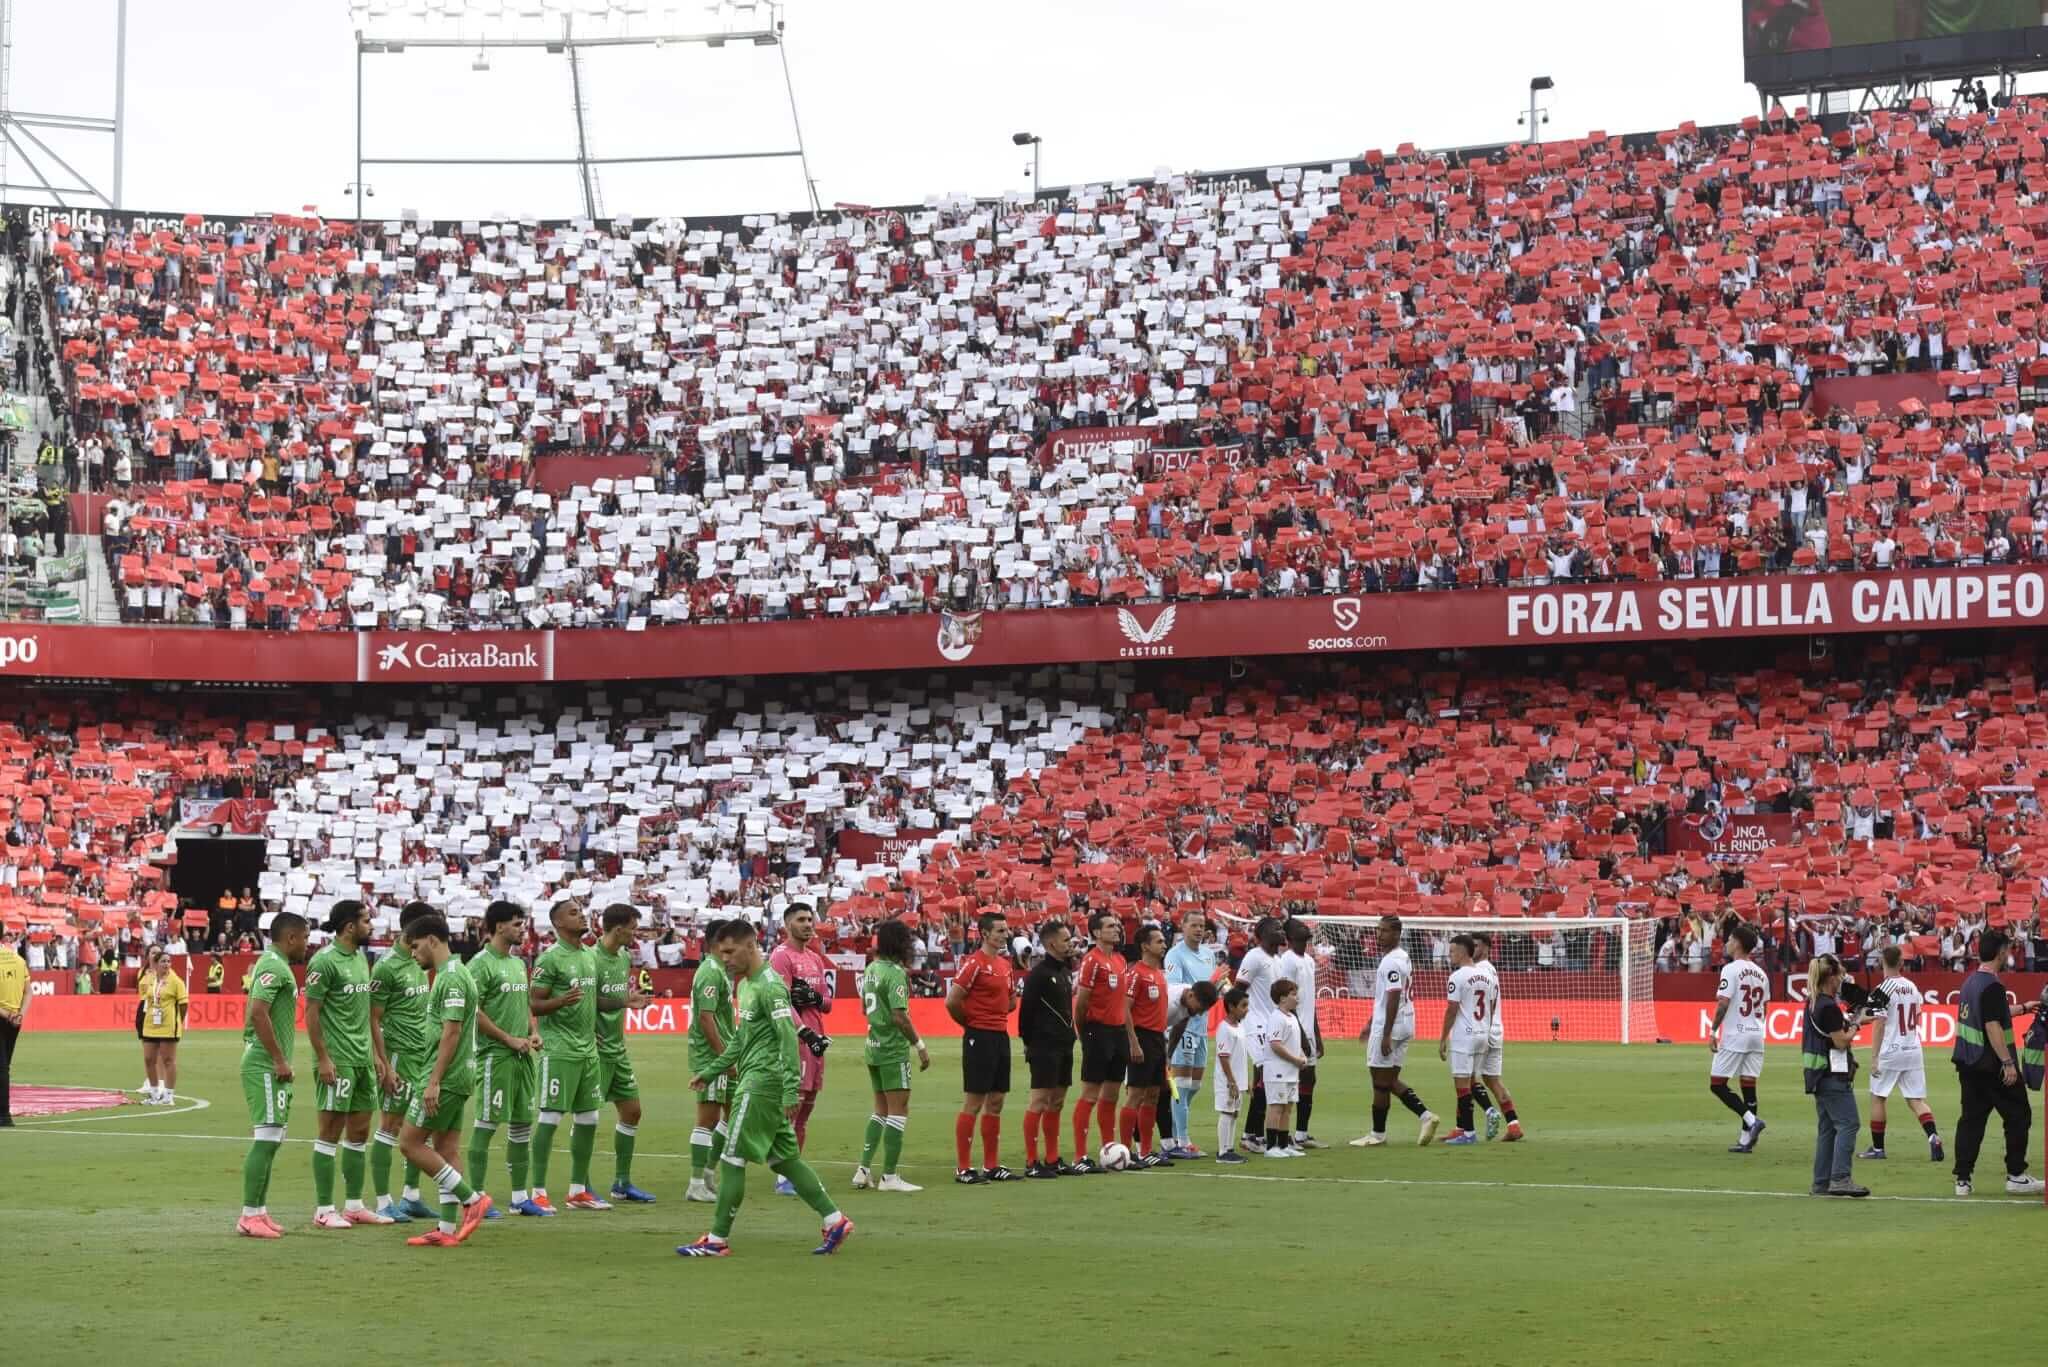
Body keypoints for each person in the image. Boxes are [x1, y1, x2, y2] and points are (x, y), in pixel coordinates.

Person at [678, 919, 854, 1258]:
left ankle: (717, 1240)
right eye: (721, 952)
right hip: (757, 1080)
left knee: (731, 1157)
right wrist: (712, 1070)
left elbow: (788, 1036)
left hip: (761, 1083)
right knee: (784, 1159)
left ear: (750, 946)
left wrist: (791, 1089)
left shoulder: (770, 985)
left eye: (730, 951)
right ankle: (835, 1220)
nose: (725, 958)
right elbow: (742, 1038)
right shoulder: (745, 985)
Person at [395, 913, 495, 1247]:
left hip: (446, 1076)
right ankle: (447, 1230)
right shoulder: (455, 973)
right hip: (462, 1074)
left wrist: (433, 1080)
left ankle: (471, 1199)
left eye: (416, 945)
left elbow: (451, 1032)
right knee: (446, 1148)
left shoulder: (451, 977)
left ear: (433, 940)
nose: (413, 953)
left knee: (409, 1143)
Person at [304, 900, 392, 1227]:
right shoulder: (324, 961)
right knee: (329, 1133)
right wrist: (324, 1058)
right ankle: (324, 1209)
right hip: (337, 1061)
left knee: (358, 1132)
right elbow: (311, 1013)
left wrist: (377, 1057)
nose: (372, 926)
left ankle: (354, 1204)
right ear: (350, 926)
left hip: (361, 1060)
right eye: (367, 920)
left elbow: (365, 1013)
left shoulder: (359, 958)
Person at [1950, 929, 2046, 1197]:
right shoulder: (1992, 985)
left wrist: (2025, 1007)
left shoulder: (1971, 982)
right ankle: (2016, 1175)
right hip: (1992, 1066)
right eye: (2008, 949)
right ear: (2001, 952)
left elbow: (1993, 1014)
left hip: (1968, 1063)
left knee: (1971, 1121)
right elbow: (1992, 1025)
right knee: (2019, 1115)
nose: (2009, 954)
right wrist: (2007, 1063)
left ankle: (1963, 1180)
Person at [468, 900, 547, 1216]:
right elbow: (472, 1011)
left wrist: (533, 1030)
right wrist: (507, 1039)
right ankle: (475, 1197)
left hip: (523, 1056)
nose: (522, 929)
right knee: (486, 1124)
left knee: (521, 1126)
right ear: (499, 926)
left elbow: (525, 1003)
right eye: (517, 924)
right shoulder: (480, 964)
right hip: (495, 1057)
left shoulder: (518, 964)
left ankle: (518, 1198)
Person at [529, 898, 608, 1210]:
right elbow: (534, 1003)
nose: (581, 916)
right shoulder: (550, 959)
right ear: (559, 923)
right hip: (558, 1049)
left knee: (590, 1117)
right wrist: (560, 1002)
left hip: (587, 1050)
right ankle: (537, 1191)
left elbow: (588, 1000)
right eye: (574, 913)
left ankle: (577, 1190)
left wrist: (592, 1028)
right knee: (550, 1116)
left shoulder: (589, 955)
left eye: (581, 911)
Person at [235, 912, 309, 1237]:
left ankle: (260, 1211)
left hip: (271, 1064)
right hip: (264, 1064)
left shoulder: (277, 966)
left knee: (274, 1139)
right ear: (290, 937)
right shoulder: (273, 965)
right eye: (305, 937)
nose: (307, 943)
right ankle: (248, 1215)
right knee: (265, 1140)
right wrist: (279, 1059)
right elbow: (257, 1012)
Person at [369, 903, 438, 1223]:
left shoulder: (418, 963)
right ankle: (383, 1202)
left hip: (421, 1057)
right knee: (390, 1127)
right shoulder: (386, 967)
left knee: (419, 1128)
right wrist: (384, 1063)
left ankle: (411, 1196)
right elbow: (372, 1017)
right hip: (398, 1056)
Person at [852, 917, 930, 1192]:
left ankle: (863, 1169)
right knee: (899, 1109)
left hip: (872, 1046)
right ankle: (889, 1176)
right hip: (892, 1049)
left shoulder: (872, 968)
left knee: (881, 1110)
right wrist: (919, 1046)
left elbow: (864, 1009)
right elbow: (900, 1016)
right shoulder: (895, 973)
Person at [1352, 914, 1439, 1147]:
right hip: (1406, 1022)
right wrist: (1371, 1023)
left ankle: (1380, 1133)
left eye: (1385, 931)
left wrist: (1385, 1032)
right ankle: (1424, 1117)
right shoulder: (1403, 957)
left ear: (1397, 934)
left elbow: (1393, 995)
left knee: (1380, 1080)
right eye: (1378, 930)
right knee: (1388, 1079)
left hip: (1392, 1025)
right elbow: (1386, 998)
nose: (1379, 935)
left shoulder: (1391, 961)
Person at [946, 908, 1019, 1184]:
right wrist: (971, 1024)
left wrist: (997, 1011)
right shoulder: (974, 963)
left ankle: (991, 1165)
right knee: (974, 1101)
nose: (1005, 935)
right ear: (985, 933)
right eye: (1000, 930)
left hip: (1000, 1035)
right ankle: (963, 1168)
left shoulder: (1004, 965)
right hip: (980, 1035)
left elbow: (1011, 1001)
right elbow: (953, 1001)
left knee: (996, 1100)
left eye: (1006, 930)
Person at [768, 901, 836, 1193]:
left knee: (807, 1107)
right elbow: (781, 1002)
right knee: (792, 1105)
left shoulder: (815, 958)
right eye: (801, 920)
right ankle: (783, 1174)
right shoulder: (780, 957)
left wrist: (814, 1000)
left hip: (816, 1040)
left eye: (810, 919)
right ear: (787, 924)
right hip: (796, 1040)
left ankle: (792, 1167)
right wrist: (804, 1031)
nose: (808, 924)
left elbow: (828, 1003)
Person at [594, 903, 657, 1203]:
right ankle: (579, 1186)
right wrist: (623, 1003)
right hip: (594, 1050)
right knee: (586, 1117)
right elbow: (585, 1001)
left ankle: (621, 1182)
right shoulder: (591, 958)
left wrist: (627, 998)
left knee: (632, 1111)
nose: (636, 933)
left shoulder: (622, 957)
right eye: (633, 927)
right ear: (619, 928)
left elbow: (613, 998)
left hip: (617, 1048)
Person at [1860, 945, 1944, 1163]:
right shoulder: (1912, 987)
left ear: (1882, 963)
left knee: (1878, 1097)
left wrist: (1874, 1056)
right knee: (1916, 1099)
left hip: (1891, 1049)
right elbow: (1916, 1014)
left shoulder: (1882, 989)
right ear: (1901, 963)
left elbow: (1879, 1023)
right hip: (1913, 1048)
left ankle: (1878, 1149)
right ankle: (1933, 1136)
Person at [1800, 954, 1869, 1197]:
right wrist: (1857, 1024)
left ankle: (1821, 1183)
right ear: (1831, 977)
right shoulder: (1828, 1006)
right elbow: (1840, 1041)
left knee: (1828, 1129)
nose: (1843, 979)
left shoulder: (1814, 1002)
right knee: (1849, 1124)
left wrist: (1854, 1022)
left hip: (1819, 1074)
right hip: (1832, 1075)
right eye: (1840, 974)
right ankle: (1840, 1178)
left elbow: (1833, 1033)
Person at [1016, 917, 1078, 1178]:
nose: (1070, 943)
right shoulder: (1038, 975)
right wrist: (1031, 1044)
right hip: (1044, 1046)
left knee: (1057, 1102)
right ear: (1051, 943)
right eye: (1066, 940)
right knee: (1039, 1101)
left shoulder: (1064, 971)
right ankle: (1032, 1162)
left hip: (1064, 1045)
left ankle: (1052, 1159)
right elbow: (1025, 1015)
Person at [1071, 910, 1132, 1173]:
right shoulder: (1091, 960)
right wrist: (1085, 1033)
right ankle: (1080, 1155)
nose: (1116, 929)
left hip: (1118, 1032)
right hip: (1097, 1031)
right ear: (1096, 932)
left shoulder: (1119, 960)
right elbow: (1082, 1002)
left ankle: (1109, 1148)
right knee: (1090, 1094)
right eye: (1110, 926)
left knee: (1112, 1094)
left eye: (1117, 925)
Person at [687, 918, 739, 1203]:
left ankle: (707, 1173)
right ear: (720, 942)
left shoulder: (719, 971)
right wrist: (723, 1058)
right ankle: (695, 1183)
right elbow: (705, 1019)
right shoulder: (710, 972)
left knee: (732, 1116)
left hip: (724, 1052)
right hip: (712, 1055)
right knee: (707, 1119)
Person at [1708, 918, 1769, 1154]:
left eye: (1731, 939)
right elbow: (1766, 1007)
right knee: (1749, 1085)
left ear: (1739, 943)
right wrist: (1756, 1026)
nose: (1727, 942)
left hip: (1736, 1034)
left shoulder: (1730, 969)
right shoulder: (1761, 974)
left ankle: (1753, 1122)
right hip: (1756, 1033)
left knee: (1717, 1084)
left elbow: (1723, 1003)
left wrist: (1713, 1031)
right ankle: (1745, 1139)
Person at [1163, 911, 1217, 1158]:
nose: (1198, 929)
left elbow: (1212, 988)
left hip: (1202, 1027)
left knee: (1194, 1086)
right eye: (1193, 924)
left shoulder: (1209, 955)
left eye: (1202, 925)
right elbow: (1175, 989)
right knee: (1181, 1086)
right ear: (1182, 927)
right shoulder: (1175, 955)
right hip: (1181, 1026)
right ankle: (1181, 1140)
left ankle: (1175, 1128)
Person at [1120, 923, 1172, 1168]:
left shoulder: (1159, 974)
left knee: (1153, 1095)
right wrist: (1133, 1041)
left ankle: (1146, 1150)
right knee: (1136, 1095)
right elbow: (1125, 1008)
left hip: (1157, 1039)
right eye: (1159, 941)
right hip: (1141, 1036)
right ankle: (1124, 1150)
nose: (1164, 944)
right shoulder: (1135, 973)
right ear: (1145, 946)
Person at [1232, 916, 1285, 1152]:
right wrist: (1237, 1023)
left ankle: (1257, 1134)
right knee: (1265, 1078)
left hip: (1272, 1025)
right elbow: (1237, 990)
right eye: (1276, 928)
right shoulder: (1254, 957)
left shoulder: (1278, 959)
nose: (1281, 930)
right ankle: (1249, 1135)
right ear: (1262, 935)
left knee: (1269, 1079)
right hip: (1256, 1025)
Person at [1468, 932, 1524, 1141]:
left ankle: (1486, 1114)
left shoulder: (1479, 970)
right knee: (1492, 1080)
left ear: (1487, 948)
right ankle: (1514, 1125)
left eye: (1477, 945)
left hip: (1482, 1029)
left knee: (1465, 1078)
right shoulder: (1491, 969)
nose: (1473, 949)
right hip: (1496, 1029)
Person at [1276, 918, 1325, 1149]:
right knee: (1289, 1082)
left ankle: (1302, 1134)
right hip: (1293, 1030)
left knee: (1309, 1079)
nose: (1305, 931)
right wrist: (1303, 1037)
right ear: (1290, 937)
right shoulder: (1288, 961)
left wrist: (1316, 1034)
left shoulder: (1309, 961)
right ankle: (1281, 1134)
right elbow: (1287, 1002)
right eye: (1299, 929)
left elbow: (1309, 1001)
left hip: (1308, 1029)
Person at [1439, 934, 1490, 1145]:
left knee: (1461, 1085)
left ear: (1461, 951)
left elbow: (1451, 1010)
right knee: (1470, 1082)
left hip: (1464, 1036)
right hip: (1482, 1034)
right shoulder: (1485, 976)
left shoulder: (1457, 977)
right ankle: (1462, 1129)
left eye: (1451, 951)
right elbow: (1491, 1005)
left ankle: (1468, 1133)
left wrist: (1442, 1038)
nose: (1449, 955)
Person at [136, 946, 187, 1105]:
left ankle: (168, 1096)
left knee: (168, 1060)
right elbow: (148, 1000)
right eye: (163, 961)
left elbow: (183, 1004)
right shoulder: (151, 980)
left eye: (168, 961)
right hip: (151, 1024)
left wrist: (178, 1020)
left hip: (167, 1026)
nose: (166, 964)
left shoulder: (176, 981)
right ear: (156, 964)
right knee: (149, 1059)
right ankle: (154, 1093)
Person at [1263, 979, 1308, 1158]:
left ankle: (1283, 1144)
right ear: (1282, 998)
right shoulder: (1276, 1018)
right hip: (1278, 1070)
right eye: (1293, 994)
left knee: (1288, 1108)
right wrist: (1295, 1059)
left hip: (1291, 1071)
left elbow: (1294, 1043)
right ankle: (1271, 1146)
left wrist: (1302, 1055)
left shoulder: (1292, 1017)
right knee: (1276, 1107)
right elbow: (1275, 1044)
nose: (1297, 998)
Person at [1210, 986, 1251, 1163]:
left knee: (1234, 1113)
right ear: (1232, 1007)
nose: (1246, 1009)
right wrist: (1232, 1081)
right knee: (1227, 1112)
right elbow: (1224, 1058)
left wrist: (1244, 1081)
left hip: (1238, 1079)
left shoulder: (1240, 1027)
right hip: (1227, 1080)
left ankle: (1229, 1148)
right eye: (1243, 1005)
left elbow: (1240, 1057)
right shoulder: (1224, 1028)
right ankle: (1222, 1152)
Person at [0, 932, 26, 1128]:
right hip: (15, 1021)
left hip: (3, 1016)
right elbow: (29, 991)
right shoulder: (18, 959)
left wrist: (5, 1013)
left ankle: (3, 1114)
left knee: (1, 1068)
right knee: (4, 1067)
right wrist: (19, 1014)